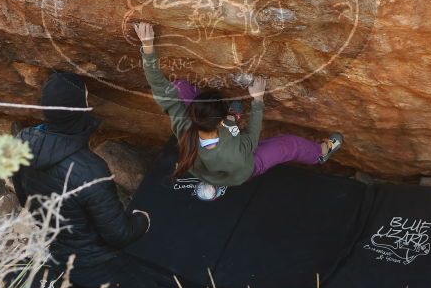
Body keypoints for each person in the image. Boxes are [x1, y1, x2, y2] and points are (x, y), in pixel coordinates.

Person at [12, 72, 195, 288]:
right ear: (78, 110)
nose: (90, 103)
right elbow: (118, 234)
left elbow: (25, 198)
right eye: (85, 100)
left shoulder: (22, 146)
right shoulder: (88, 169)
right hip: (104, 269)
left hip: (61, 261)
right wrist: (143, 221)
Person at [133, 21, 343, 199]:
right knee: (288, 146)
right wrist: (258, 100)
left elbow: (159, 86)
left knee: (179, 88)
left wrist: (148, 45)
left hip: (204, 165)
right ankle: (320, 154)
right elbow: (252, 135)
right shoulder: (235, 149)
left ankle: (212, 182)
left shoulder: (182, 123)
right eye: (228, 116)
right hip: (241, 169)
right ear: (222, 121)